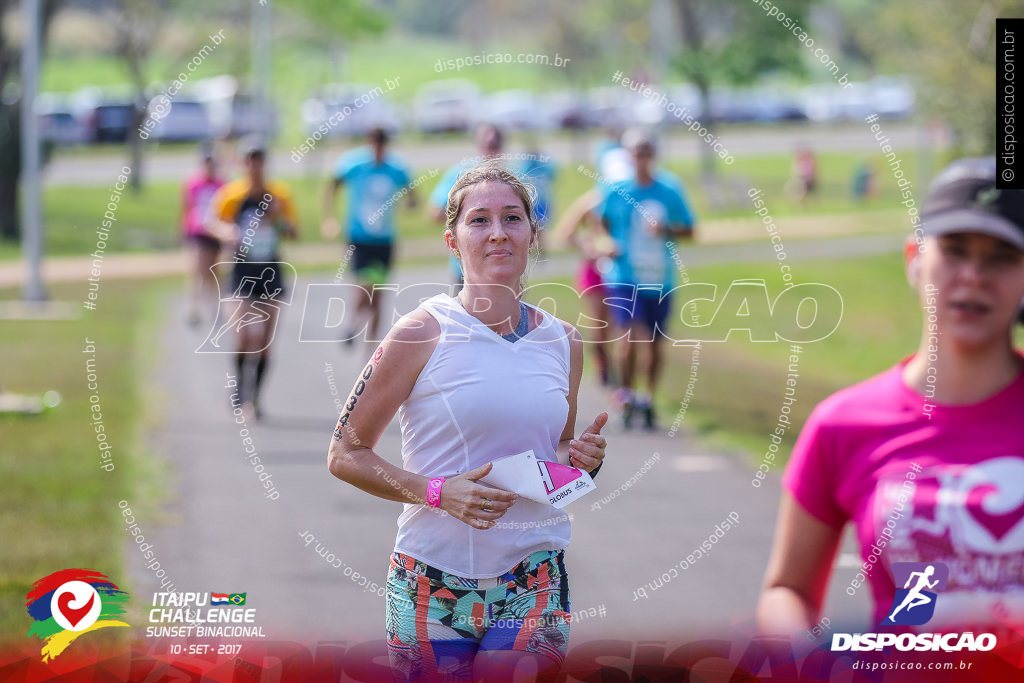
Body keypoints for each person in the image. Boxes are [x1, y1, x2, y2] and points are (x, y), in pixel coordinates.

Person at [327, 160, 609, 681]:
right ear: (453, 241)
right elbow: (345, 454)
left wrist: (583, 463)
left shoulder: (564, 341)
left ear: (532, 233)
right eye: (478, 220)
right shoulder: (421, 332)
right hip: (430, 583)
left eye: (512, 218)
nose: (497, 233)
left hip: (534, 576)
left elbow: (556, 452)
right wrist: (437, 492)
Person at [758, 157, 1024, 637]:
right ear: (914, 259)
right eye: (955, 250)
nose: (973, 275)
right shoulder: (843, 423)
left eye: (1002, 256)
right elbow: (787, 591)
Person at [599, 128, 696, 429]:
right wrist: (607, 243)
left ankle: (648, 398)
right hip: (625, 276)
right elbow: (600, 221)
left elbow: (690, 230)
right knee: (627, 337)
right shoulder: (616, 190)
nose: (640, 158)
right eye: (635, 152)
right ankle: (626, 394)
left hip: (659, 278)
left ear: (653, 155)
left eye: (645, 152)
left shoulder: (669, 190)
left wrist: (665, 230)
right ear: (628, 155)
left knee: (653, 345)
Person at [207, 136, 299, 420]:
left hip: (270, 272)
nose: (255, 166)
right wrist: (227, 233)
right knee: (243, 336)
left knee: (265, 341)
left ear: (265, 163)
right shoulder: (232, 195)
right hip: (241, 271)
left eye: (260, 160)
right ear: (244, 163)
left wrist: (279, 220)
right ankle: (238, 388)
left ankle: (255, 398)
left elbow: (294, 231)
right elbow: (212, 222)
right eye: (250, 160)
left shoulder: (279, 195)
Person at [322, 127, 415, 344]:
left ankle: (372, 350)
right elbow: (331, 188)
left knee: (378, 296)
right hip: (359, 237)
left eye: (381, 146)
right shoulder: (354, 164)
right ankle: (353, 323)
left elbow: (412, 194)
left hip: (384, 239)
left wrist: (409, 203)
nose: (377, 151)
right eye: (374, 145)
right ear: (368, 143)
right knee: (364, 287)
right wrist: (329, 219)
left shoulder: (396, 168)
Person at [428, 124, 505, 290]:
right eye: (488, 145)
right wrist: (470, 219)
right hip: (467, 268)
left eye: (495, 145)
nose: (491, 151)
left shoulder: (511, 179)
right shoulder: (461, 174)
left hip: (504, 268)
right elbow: (435, 213)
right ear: (479, 145)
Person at [181, 142, 225, 327]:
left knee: (215, 272)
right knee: (198, 271)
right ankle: (193, 309)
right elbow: (188, 208)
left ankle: (217, 309)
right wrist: (183, 230)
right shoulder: (193, 183)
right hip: (199, 231)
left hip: (215, 232)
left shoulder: (222, 184)